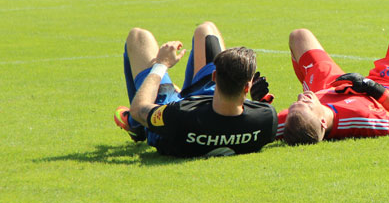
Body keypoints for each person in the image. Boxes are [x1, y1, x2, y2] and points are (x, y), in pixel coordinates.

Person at [113, 21, 278, 157]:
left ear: (214, 77)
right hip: (204, 104)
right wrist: (258, 101)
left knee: (139, 37)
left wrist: (161, 64)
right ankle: (176, 92)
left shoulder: (178, 114)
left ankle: (137, 127)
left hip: (177, 118)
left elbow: (138, 108)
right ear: (247, 87)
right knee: (206, 30)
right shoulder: (266, 118)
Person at [276, 7, 389, 145]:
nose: (301, 97)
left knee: (299, 36)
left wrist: (261, 103)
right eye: (306, 104)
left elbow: (254, 125)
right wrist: (373, 87)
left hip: (328, 88)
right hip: (387, 89)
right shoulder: (363, 119)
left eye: (295, 103)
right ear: (323, 122)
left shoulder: (294, 118)